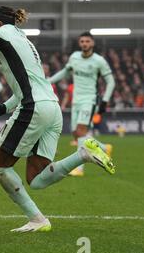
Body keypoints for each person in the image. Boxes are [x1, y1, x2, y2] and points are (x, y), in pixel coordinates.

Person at [0, 6, 115, 232]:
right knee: (36, 179)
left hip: (34, 107)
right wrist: (3, 107)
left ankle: (37, 219)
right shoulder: (25, 42)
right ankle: (83, 154)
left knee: (0, 167)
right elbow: (25, 85)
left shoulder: (2, 33)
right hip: (52, 107)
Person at [49, 32, 116, 176]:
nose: (85, 43)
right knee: (76, 134)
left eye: (87, 41)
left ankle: (79, 169)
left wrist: (105, 100)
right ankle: (104, 148)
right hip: (76, 100)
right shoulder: (74, 57)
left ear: (92, 43)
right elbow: (64, 73)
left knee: (80, 132)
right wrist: (47, 81)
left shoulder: (99, 61)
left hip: (89, 100)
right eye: (82, 41)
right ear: (80, 44)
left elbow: (111, 82)